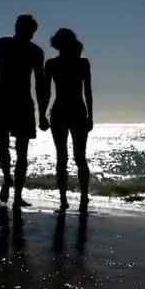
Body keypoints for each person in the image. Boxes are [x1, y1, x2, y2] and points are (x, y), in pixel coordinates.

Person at [0, 14, 45, 207]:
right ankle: (7, 179)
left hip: (24, 104)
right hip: (1, 102)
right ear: (16, 27)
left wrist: (42, 113)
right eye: (23, 28)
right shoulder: (1, 44)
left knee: (22, 152)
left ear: (33, 32)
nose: (27, 33)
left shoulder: (36, 52)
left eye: (29, 31)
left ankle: (17, 195)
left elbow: (40, 84)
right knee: (2, 147)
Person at [39, 28, 93, 211]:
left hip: (65, 112)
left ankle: (72, 198)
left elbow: (88, 92)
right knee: (76, 157)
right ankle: (76, 197)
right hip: (72, 111)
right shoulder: (78, 63)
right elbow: (46, 92)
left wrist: (42, 115)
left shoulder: (55, 64)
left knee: (67, 157)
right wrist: (41, 115)